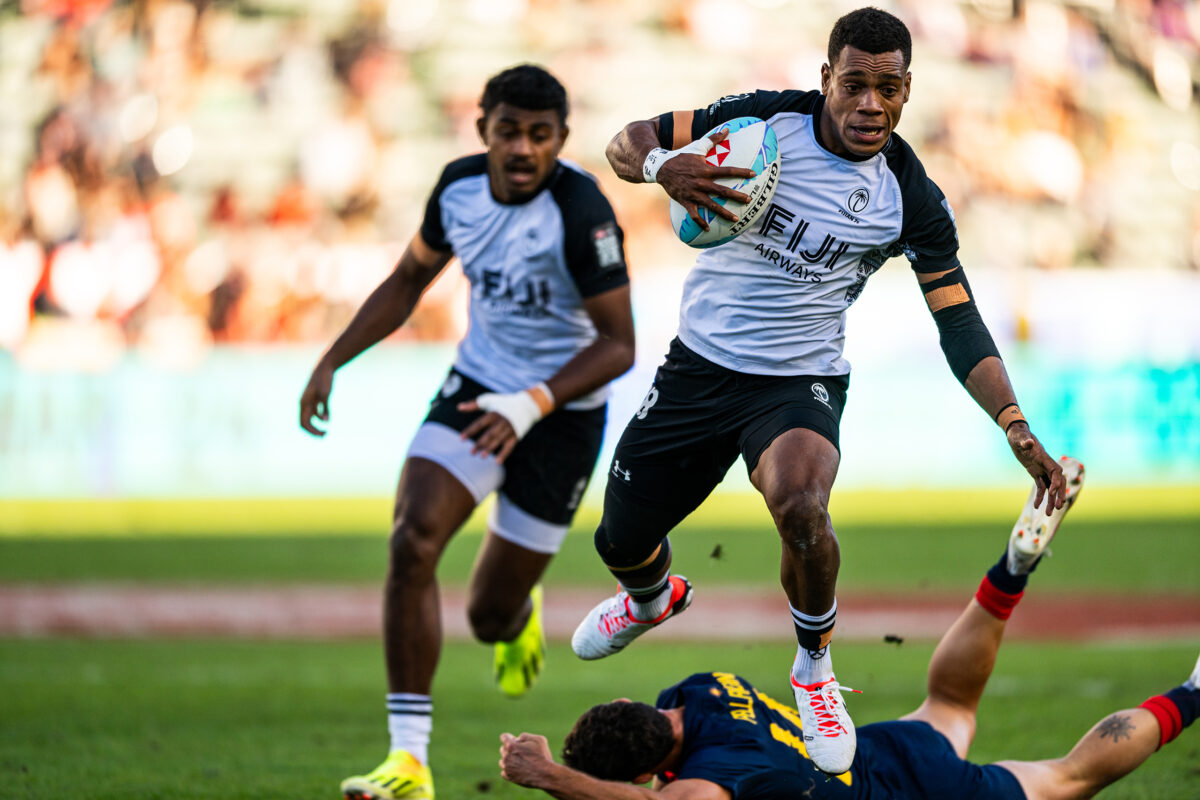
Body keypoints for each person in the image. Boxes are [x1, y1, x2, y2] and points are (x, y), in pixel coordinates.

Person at [570, 6, 1068, 774]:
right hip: (698, 368)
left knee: (803, 506)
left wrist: (1011, 419)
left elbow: (958, 318)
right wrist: (660, 167)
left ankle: (814, 666)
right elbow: (627, 138)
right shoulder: (763, 121)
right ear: (826, 79)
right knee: (620, 541)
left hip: (798, 381)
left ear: (908, 90)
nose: (871, 104)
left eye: (889, 88)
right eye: (856, 85)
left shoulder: (913, 197)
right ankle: (649, 599)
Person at [299, 64, 636, 800]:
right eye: (508, 131)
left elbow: (620, 345)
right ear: (482, 126)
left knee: (487, 617)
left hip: (563, 417)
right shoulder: (456, 188)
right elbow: (406, 282)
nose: (522, 149)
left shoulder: (582, 209)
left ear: (561, 140)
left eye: (540, 136)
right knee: (412, 538)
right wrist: (332, 359)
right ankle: (409, 762)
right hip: (475, 391)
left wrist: (532, 404)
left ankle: (517, 617)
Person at [502, 458, 1200, 799]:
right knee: (949, 707)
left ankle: (1194, 692)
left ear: (654, 775)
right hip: (883, 750)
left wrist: (552, 776)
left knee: (1067, 779)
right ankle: (1011, 571)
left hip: (904, 796)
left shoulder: (707, 785)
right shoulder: (700, 689)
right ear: (633, 707)